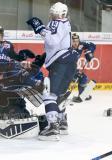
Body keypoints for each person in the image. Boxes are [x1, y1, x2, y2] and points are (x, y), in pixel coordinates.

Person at [27, 2, 78, 141]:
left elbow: (52, 42)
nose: (53, 16)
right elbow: (58, 44)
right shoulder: (66, 23)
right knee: (59, 95)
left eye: (55, 13)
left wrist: (40, 28)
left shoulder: (56, 23)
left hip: (60, 62)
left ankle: (53, 128)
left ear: (59, 14)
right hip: (70, 61)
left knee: (49, 94)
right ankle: (62, 124)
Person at [71, 33, 96, 103]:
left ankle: (81, 95)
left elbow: (93, 45)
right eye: (73, 41)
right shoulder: (67, 47)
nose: (76, 43)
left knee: (83, 78)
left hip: (72, 68)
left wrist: (89, 51)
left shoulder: (81, 45)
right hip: (64, 69)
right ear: (70, 41)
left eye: (77, 41)